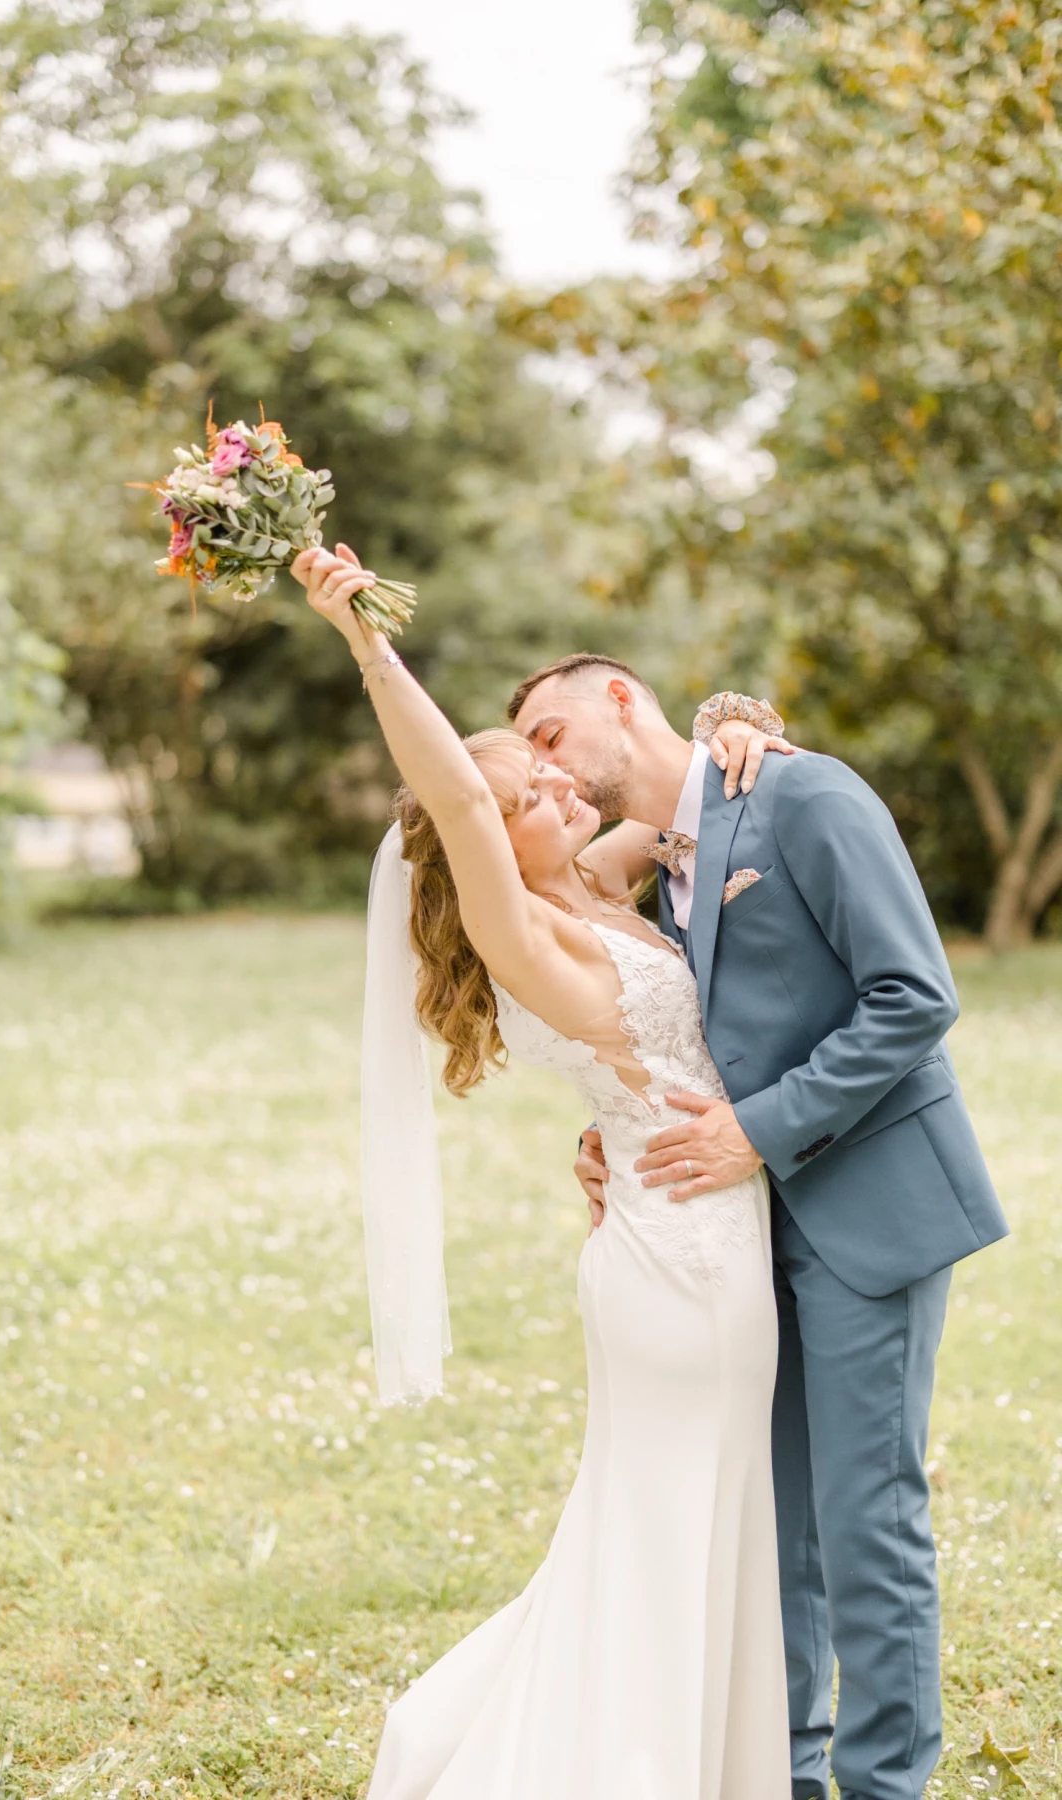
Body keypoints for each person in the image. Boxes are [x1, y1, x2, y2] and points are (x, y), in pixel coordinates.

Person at [293, 542, 796, 1800]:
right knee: (666, 1530)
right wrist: (365, 639)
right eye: (527, 793)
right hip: (678, 1266)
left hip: (700, 1235)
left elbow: (683, 794)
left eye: (549, 771)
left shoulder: (605, 883)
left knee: (690, 1524)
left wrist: (734, 717)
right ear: (486, 836)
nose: (557, 790)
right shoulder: (524, 933)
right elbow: (457, 802)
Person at [510, 653, 1009, 1800]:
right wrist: (616, 1134)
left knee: (863, 1520)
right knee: (770, 1524)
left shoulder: (806, 793)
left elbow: (915, 996)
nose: (543, 759)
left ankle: (885, 1787)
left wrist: (755, 1131)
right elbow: (672, 1021)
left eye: (549, 729)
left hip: (865, 1201)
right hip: (734, 1236)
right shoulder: (641, 861)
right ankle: (781, 1772)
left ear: (622, 698)